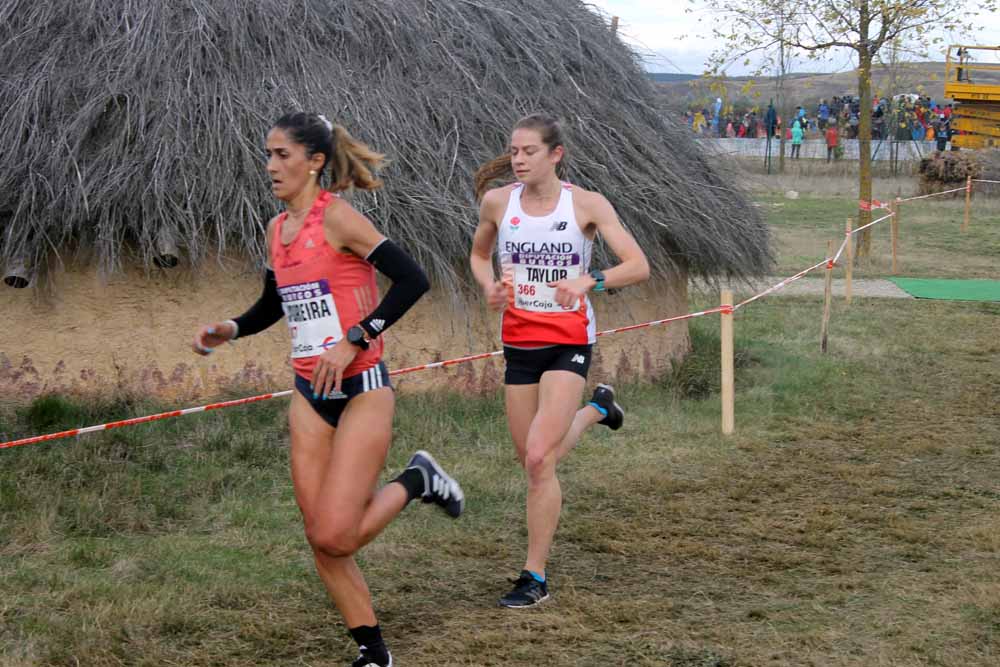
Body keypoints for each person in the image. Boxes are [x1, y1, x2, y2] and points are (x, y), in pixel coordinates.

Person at [192, 112, 465, 667]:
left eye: (282, 155)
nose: (270, 166)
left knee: (339, 535)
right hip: (308, 394)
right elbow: (277, 303)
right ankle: (373, 653)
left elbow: (413, 279)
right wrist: (231, 329)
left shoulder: (339, 220)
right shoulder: (276, 230)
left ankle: (418, 479)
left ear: (315, 162)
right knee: (321, 535)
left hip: (362, 386)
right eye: (267, 154)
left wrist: (357, 337)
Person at [469, 113, 649, 608]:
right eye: (514, 151)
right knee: (530, 458)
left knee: (538, 458)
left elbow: (638, 266)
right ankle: (597, 411)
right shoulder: (498, 203)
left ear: (555, 154)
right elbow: (479, 255)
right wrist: (489, 286)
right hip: (519, 339)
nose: (518, 160)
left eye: (528, 151)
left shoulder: (585, 205)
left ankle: (535, 576)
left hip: (569, 338)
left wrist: (590, 281)